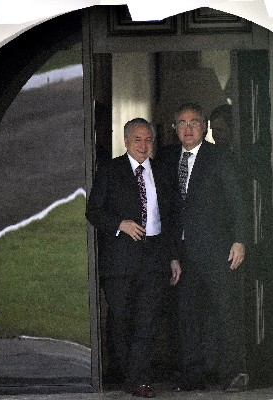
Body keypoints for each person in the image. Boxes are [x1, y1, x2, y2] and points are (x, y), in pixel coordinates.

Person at [157, 103, 250, 392]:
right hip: (182, 254)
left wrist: (240, 240)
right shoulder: (166, 158)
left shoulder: (220, 157)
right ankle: (191, 376)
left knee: (225, 312)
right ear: (174, 128)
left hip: (217, 250)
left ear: (205, 127)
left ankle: (232, 374)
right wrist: (171, 253)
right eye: (182, 122)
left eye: (194, 122)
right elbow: (167, 210)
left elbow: (238, 200)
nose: (187, 128)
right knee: (186, 315)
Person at [86, 118, 182, 398]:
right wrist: (120, 224)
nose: (144, 145)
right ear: (126, 142)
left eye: (148, 139)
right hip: (121, 260)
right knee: (121, 319)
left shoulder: (162, 172)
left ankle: (140, 378)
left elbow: (172, 218)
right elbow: (94, 210)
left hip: (154, 256)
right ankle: (126, 374)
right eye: (138, 140)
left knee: (147, 320)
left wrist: (173, 257)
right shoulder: (111, 170)